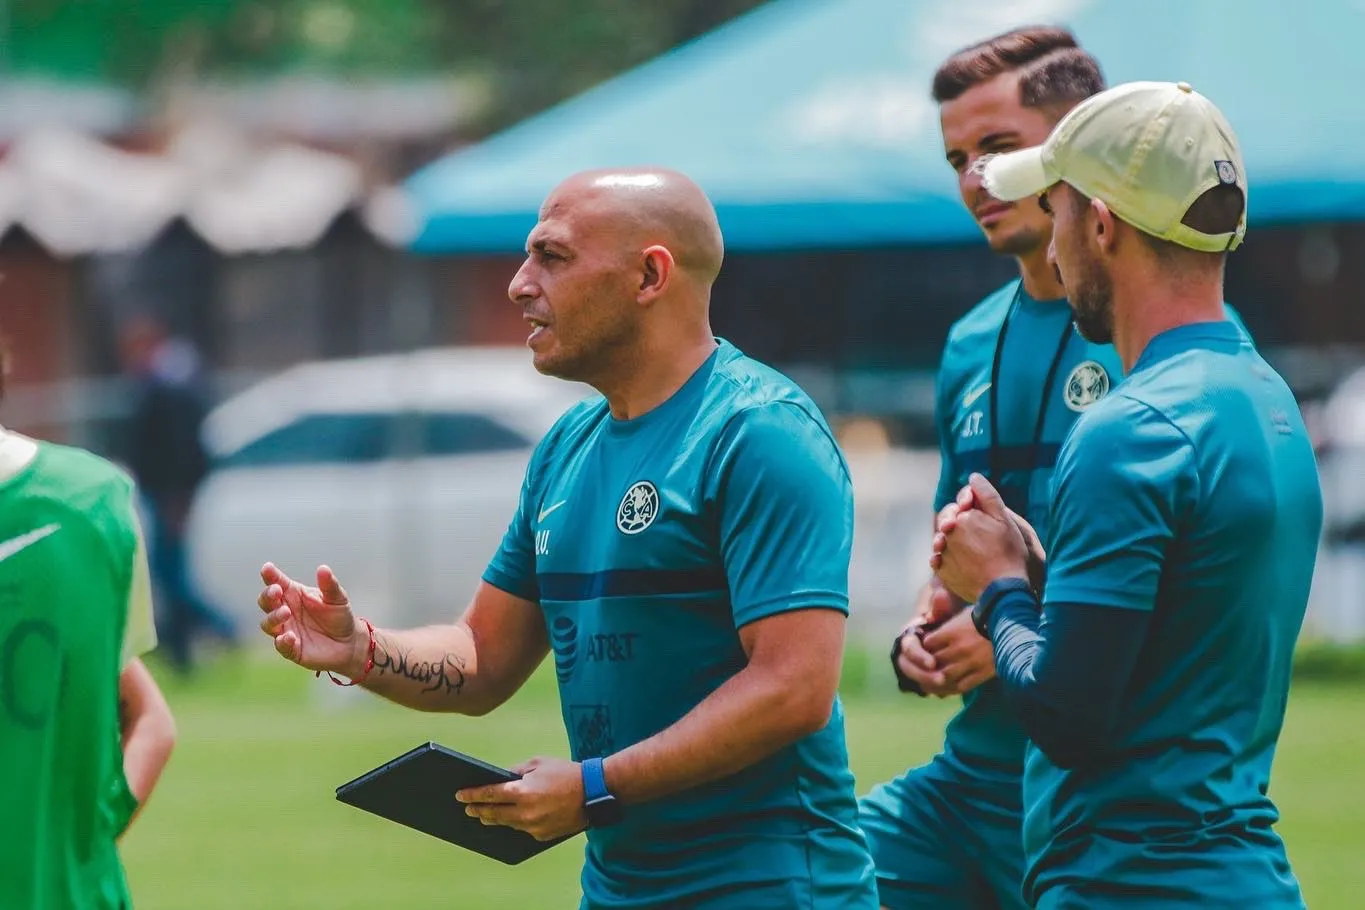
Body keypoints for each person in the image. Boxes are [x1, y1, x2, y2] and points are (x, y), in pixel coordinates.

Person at [257, 168, 879, 909]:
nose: (519, 285)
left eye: (551, 258)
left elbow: (793, 688)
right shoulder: (566, 449)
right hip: (618, 890)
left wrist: (595, 785)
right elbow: (483, 656)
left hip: (770, 889)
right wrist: (362, 649)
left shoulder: (760, 432)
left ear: (650, 275)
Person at [931, 80, 1322, 908]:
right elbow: (1177, 630)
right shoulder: (1262, 395)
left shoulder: (1128, 428)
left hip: (1130, 881)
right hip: (1240, 874)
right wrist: (1043, 579)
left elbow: (1067, 716)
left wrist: (997, 589)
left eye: (1056, 210)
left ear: (1099, 224)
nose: (1053, 248)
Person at [857, 28, 1116, 910]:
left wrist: (1019, 617)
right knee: (785, 878)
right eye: (956, 157)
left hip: (1102, 794)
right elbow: (955, 556)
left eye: (998, 149)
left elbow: (1188, 582)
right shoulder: (969, 342)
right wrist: (922, 640)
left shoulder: (1153, 332)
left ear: (1079, 141)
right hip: (970, 783)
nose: (973, 179)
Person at [0, 344, 177, 907]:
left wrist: (78, 843)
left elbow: (148, 715)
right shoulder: (94, 499)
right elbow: (151, 717)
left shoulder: (91, 505)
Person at [120, 314, 237, 674]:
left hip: (171, 495)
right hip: (166, 493)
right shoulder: (169, 381)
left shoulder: (171, 386)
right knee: (168, 574)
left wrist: (178, 498)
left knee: (174, 577)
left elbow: (179, 450)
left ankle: (224, 628)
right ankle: (179, 650)